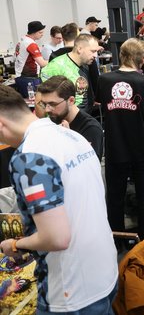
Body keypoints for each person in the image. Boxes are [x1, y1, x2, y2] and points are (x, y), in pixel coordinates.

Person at [0, 85, 118, 313]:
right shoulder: (71, 135)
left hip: (72, 289)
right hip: (104, 269)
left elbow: (56, 238)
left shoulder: (29, 156)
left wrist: (15, 244)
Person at [97, 38, 144, 239]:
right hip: (141, 147)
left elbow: (100, 104)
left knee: (114, 197)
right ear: (142, 59)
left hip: (115, 147)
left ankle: (116, 240)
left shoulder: (104, 79)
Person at [37, 76, 104, 161]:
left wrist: (69, 140)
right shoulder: (53, 120)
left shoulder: (91, 129)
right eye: (44, 104)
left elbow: (89, 166)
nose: (47, 110)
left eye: (53, 104)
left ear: (71, 101)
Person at [41, 34, 100, 113]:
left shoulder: (85, 64)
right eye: (93, 51)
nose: (95, 55)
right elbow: (43, 100)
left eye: (96, 51)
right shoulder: (56, 66)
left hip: (83, 116)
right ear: (79, 49)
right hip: (64, 118)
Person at [14, 21, 48, 97]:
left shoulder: (22, 40)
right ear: (34, 32)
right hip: (29, 79)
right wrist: (54, 60)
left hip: (20, 76)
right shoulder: (31, 44)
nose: (42, 34)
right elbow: (42, 63)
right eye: (40, 32)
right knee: (35, 101)